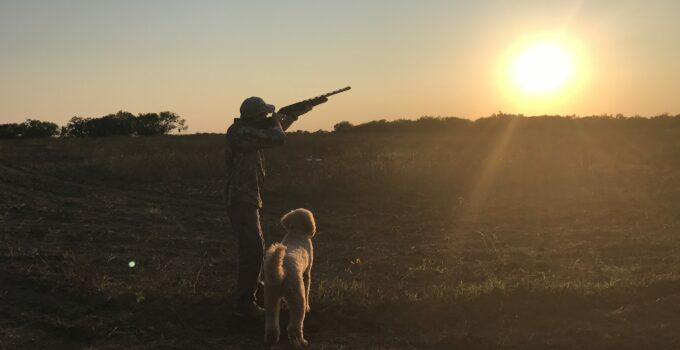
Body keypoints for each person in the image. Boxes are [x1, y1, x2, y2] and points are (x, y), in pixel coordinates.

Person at [224, 96, 304, 318]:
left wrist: (293, 116)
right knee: (252, 251)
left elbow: (271, 135)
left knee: (255, 250)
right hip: (241, 199)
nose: (269, 117)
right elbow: (277, 138)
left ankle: (253, 293)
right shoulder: (238, 132)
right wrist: (277, 122)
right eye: (265, 115)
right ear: (257, 117)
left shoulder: (248, 133)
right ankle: (244, 304)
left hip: (248, 199)